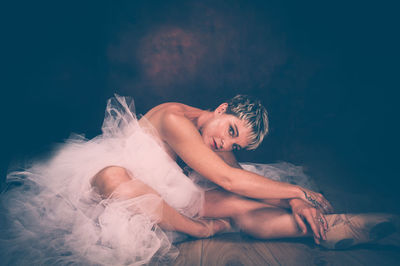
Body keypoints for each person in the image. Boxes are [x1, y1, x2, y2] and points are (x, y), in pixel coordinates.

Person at [1, 95, 396, 265]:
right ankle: (199, 230)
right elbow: (228, 176)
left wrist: (291, 201)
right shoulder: (174, 116)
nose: (225, 141)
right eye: (229, 128)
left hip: (172, 202)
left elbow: (238, 180)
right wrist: (299, 190)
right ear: (221, 108)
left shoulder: (215, 139)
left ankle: (338, 226)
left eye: (234, 141)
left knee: (245, 209)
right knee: (111, 177)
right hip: (126, 194)